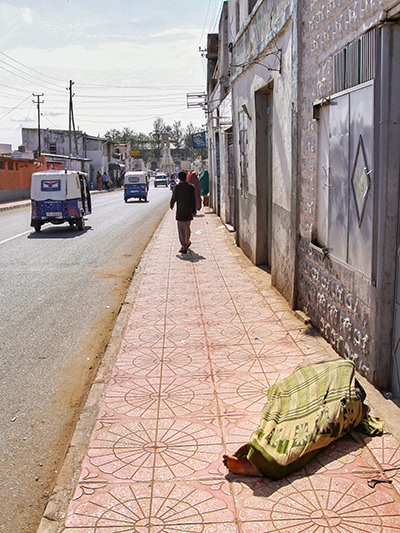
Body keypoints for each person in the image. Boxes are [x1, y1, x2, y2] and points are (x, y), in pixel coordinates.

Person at [223, 359, 382, 480]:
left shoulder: (347, 395)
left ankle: (263, 463)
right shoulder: (341, 370)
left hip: (336, 401)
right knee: (290, 420)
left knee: (313, 430)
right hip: (315, 391)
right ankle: (263, 459)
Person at [170, 170, 196, 254]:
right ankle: (187, 241)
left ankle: (184, 245)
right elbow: (193, 200)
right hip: (188, 211)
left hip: (180, 211)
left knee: (181, 230)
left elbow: (174, 197)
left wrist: (171, 204)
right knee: (187, 227)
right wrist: (194, 210)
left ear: (179, 178)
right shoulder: (191, 187)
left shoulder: (177, 187)